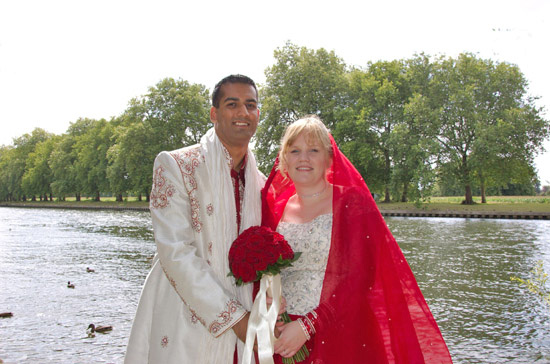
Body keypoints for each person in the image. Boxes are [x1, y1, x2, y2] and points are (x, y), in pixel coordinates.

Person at [262, 115, 453, 363]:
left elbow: (361, 276)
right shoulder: (274, 208)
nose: (304, 158)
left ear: (329, 158)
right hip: (284, 335)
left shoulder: (351, 202)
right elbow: (266, 272)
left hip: (342, 330)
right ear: (284, 158)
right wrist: (269, 303)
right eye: (295, 150)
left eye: (313, 150)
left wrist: (308, 325)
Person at [125, 74, 265, 364]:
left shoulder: (261, 183)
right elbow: (175, 252)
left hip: (248, 321)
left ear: (258, 115)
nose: (243, 113)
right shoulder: (177, 166)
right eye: (232, 104)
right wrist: (238, 321)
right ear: (214, 113)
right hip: (184, 317)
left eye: (250, 105)